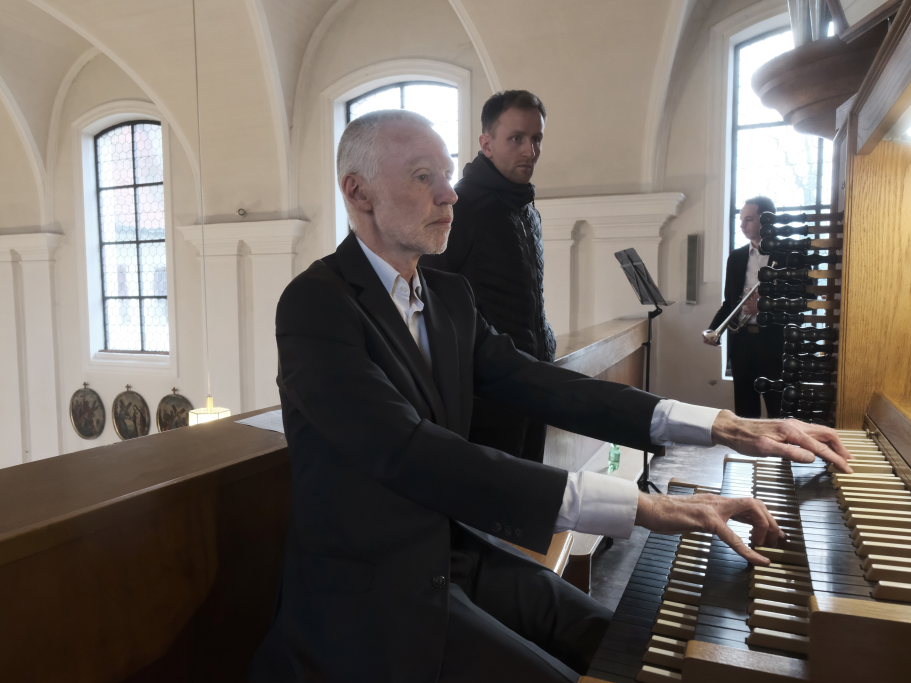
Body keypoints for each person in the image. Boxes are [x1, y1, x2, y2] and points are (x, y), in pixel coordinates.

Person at [250, 111, 851, 683]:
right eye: (423, 177)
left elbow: (543, 384)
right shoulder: (315, 304)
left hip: (454, 556)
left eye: (448, 174)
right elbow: (408, 451)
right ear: (359, 192)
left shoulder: (450, 297)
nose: (450, 195)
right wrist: (645, 508)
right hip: (369, 594)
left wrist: (721, 424)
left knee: (628, 644)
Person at [422, 90, 554, 462]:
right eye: (516, 138)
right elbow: (431, 298)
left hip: (532, 379)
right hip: (486, 393)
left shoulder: (526, 209)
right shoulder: (461, 207)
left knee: (531, 485)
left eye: (536, 138)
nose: (530, 151)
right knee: (497, 492)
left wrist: (544, 346)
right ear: (487, 143)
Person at [704, 196, 785, 418]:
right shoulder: (736, 257)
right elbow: (730, 303)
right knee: (745, 411)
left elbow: (798, 302)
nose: (742, 225)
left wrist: (765, 307)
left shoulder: (786, 254)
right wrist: (714, 329)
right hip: (742, 343)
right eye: (741, 219)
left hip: (774, 343)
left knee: (778, 408)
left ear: (766, 220)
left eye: (748, 219)